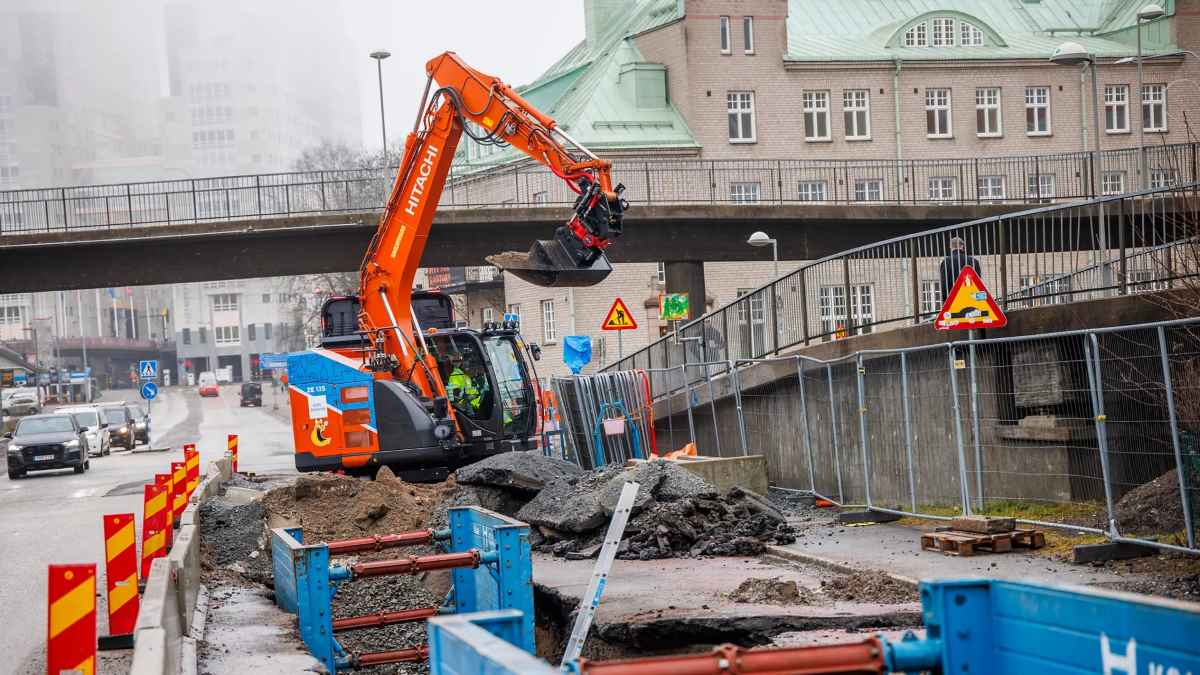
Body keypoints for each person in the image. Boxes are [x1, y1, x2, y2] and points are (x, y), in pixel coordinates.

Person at [939, 236, 983, 302]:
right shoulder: (974, 261)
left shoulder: (945, 262)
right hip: (970, 299)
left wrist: (945, 302)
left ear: (951, 247)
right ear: (962, 246)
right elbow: (978, 283)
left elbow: (944, 285)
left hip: (953, 301)